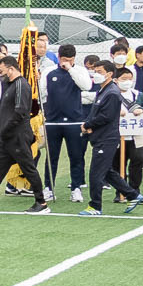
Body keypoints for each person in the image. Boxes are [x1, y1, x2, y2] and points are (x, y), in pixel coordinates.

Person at [0, 55, 50, 212]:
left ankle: (41, 203)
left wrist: (5, 130)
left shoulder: (21, 85)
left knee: (28, 168)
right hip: (8, 138)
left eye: (2, 70)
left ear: (11, 68)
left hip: (17, 136)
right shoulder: (11, 85)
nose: (0, 74)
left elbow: (20, 112)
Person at [85, 63, 139, 213]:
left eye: (99, 71)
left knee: (96, 173)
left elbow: (106, 116)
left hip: (106, 138)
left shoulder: (112, 93)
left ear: (109, 74)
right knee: (107, 171)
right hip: (100, 136)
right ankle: (132, 195)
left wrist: (89, 124)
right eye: (95, 71)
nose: (96, 74)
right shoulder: (103, 90)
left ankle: (95, 206)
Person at [44, 43, 91, 193]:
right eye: (64, 59)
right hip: (52, 121)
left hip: (74, 121)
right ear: (58, 57)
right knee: (52, 157)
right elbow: (42, 92)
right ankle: (48, 188)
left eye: (70, 60)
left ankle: (76, 187)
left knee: (76, 156)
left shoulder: (79, 71)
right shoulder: (49, 72)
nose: (66, 62)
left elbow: (86, 86)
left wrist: (70, 69)